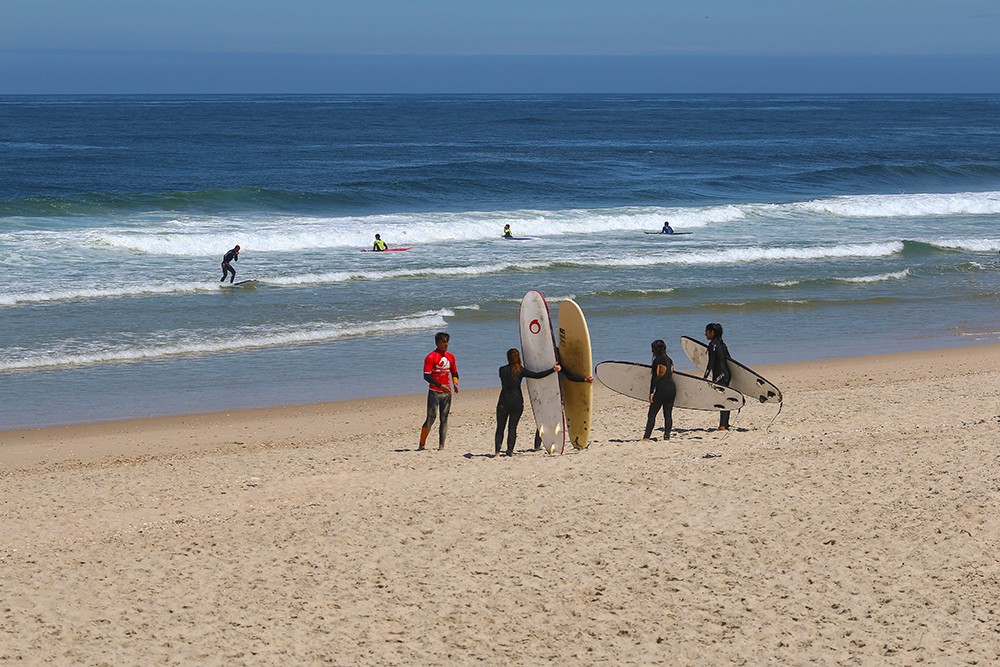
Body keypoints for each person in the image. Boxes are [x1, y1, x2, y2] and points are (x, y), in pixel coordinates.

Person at [495, 349, 559, 456]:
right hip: (517, 402)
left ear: (508, 357)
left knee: (500, 427)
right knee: (512, 427)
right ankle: (509, 450)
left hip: (503, 401)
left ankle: (497, 451)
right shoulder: (521, 370)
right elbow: (537, 375)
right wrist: (553, 369)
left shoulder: (502, 370)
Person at [532, 347, 594, 451]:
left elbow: (570, 377)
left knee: (555, 420)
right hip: (547, 397)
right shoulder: (546, 367)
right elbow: (539, 377)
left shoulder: (560, 368)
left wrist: (584, 379)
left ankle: (552, 443)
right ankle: (537, 445)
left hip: (558, 397)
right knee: (545, 420)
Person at [419, 332, 459, 450]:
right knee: (431, 418)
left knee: (444, 418)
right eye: (443, 342)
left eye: (447, 342)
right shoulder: (431, 357)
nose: (446, 344)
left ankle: (441, 445)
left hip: (447, 393)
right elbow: (426, 376)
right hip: (434, 392)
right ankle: (422, 444)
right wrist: (440, 386)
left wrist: (455, 382)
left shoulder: (450, 357)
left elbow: (454, 372)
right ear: (437, 343)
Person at [643, 339, 677, 441]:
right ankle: (667, 435)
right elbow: (672, 371)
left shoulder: (657, 360)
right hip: (672, 389)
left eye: (652, 349)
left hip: (662, 389)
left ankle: (646, 436)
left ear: (656, 350)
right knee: (668, 414)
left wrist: (651, 392)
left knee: (652, 413)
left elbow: (655, 376)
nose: (651, 351)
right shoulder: (669, 359)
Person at [703, 322, 732, 430]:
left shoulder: (712, 345)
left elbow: (711, 363)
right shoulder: (722, 344)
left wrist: (705, 376)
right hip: (726, 374)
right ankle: (725, 423)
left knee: (721, 400)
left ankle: (722, 425)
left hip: (719, 375)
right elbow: (730, 360)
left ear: (712, 332)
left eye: (706, 332)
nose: (705, 334)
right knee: (725, 399)